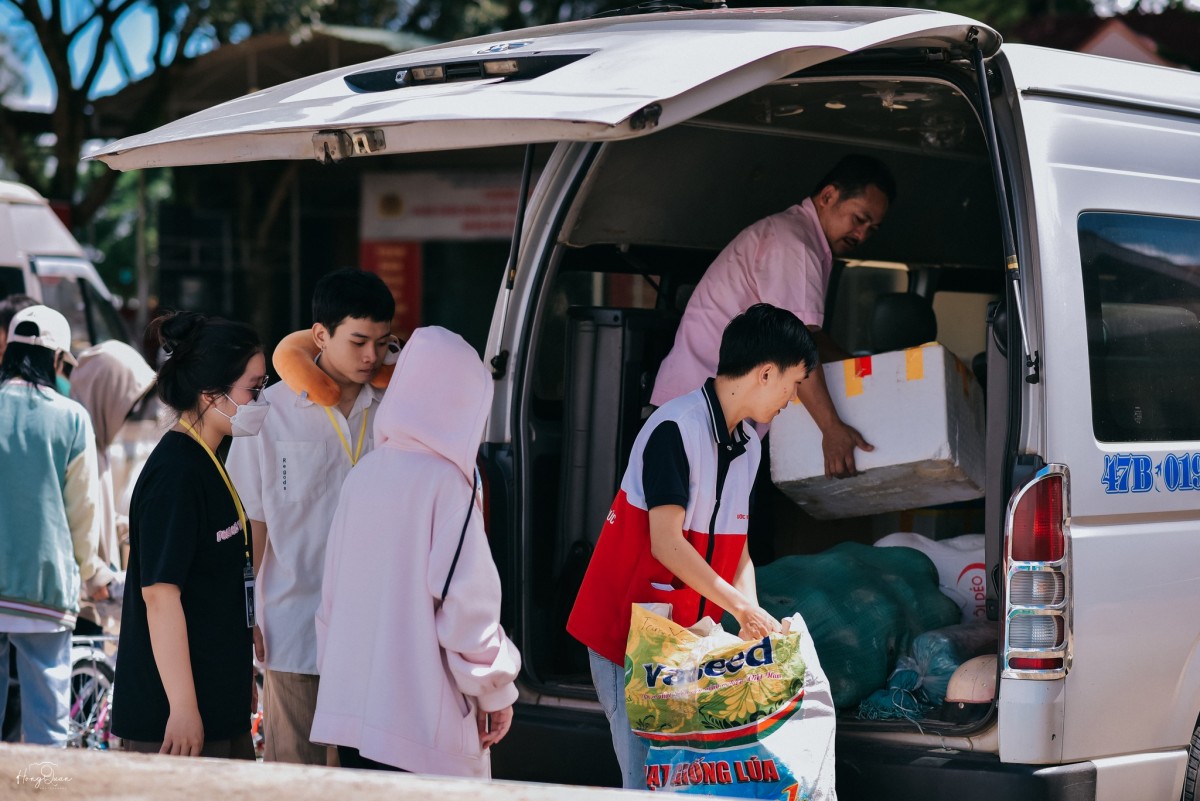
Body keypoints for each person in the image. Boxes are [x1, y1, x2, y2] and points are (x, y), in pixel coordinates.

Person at [567, 303, 819, 789]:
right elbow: (666, 544)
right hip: (627, 639)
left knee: (681, 783)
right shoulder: (673, 428)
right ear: (767, 373)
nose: (792, 399)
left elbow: (738, 548)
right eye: (794, 384)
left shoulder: (748, 444)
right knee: (645, 783)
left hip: (681, 644)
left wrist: (754, 622)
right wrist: (741, 608)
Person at [311, 326, 520, 776]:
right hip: (420, 729)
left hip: (352, 717)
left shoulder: (364, 474)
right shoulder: (447, 484)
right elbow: (468, 613)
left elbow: (330, 604)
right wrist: (495, 692)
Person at [226, 268, 395, 765]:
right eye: (359, 341)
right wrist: (244, 615)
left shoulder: (397, 408)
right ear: (320, 335)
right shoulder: (269, 412)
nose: (372, 356)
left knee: (369, 779)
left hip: (378, 632)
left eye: (383, 343)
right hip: (294, 627)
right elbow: (252, 524)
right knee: (295, 774)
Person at [651, 154, 895, 478]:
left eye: (872, 229)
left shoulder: (801, 239)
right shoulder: (794, 245)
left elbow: (813, 338)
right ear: (828, 196)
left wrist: (867, 372)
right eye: (859, 219)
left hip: (705, 412)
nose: (862, 235)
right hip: (702, 415)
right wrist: (831, 429)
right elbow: (796, 346)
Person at [111, 311, 266, 758]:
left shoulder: (208, 459)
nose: (261, 399)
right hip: (173, 723)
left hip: (215, 706)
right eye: (253, 389)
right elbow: (160, 596)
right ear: (209, 393)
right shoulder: (176, 474)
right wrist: (182, 707)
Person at [0, 305, 102, 746]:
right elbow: (83, 512)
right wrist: (93, 572)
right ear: (57, 360)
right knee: (48, 726)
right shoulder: (72, 418)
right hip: (44, 586)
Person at [70, 340, 158, 633]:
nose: (128, 413)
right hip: (82, 600)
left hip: (94, 594)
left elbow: (96, 518)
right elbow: (73, 520)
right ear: (103, 393)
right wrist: (94, 574)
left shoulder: (99, 445)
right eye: (126, 403)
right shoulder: (80, 447)